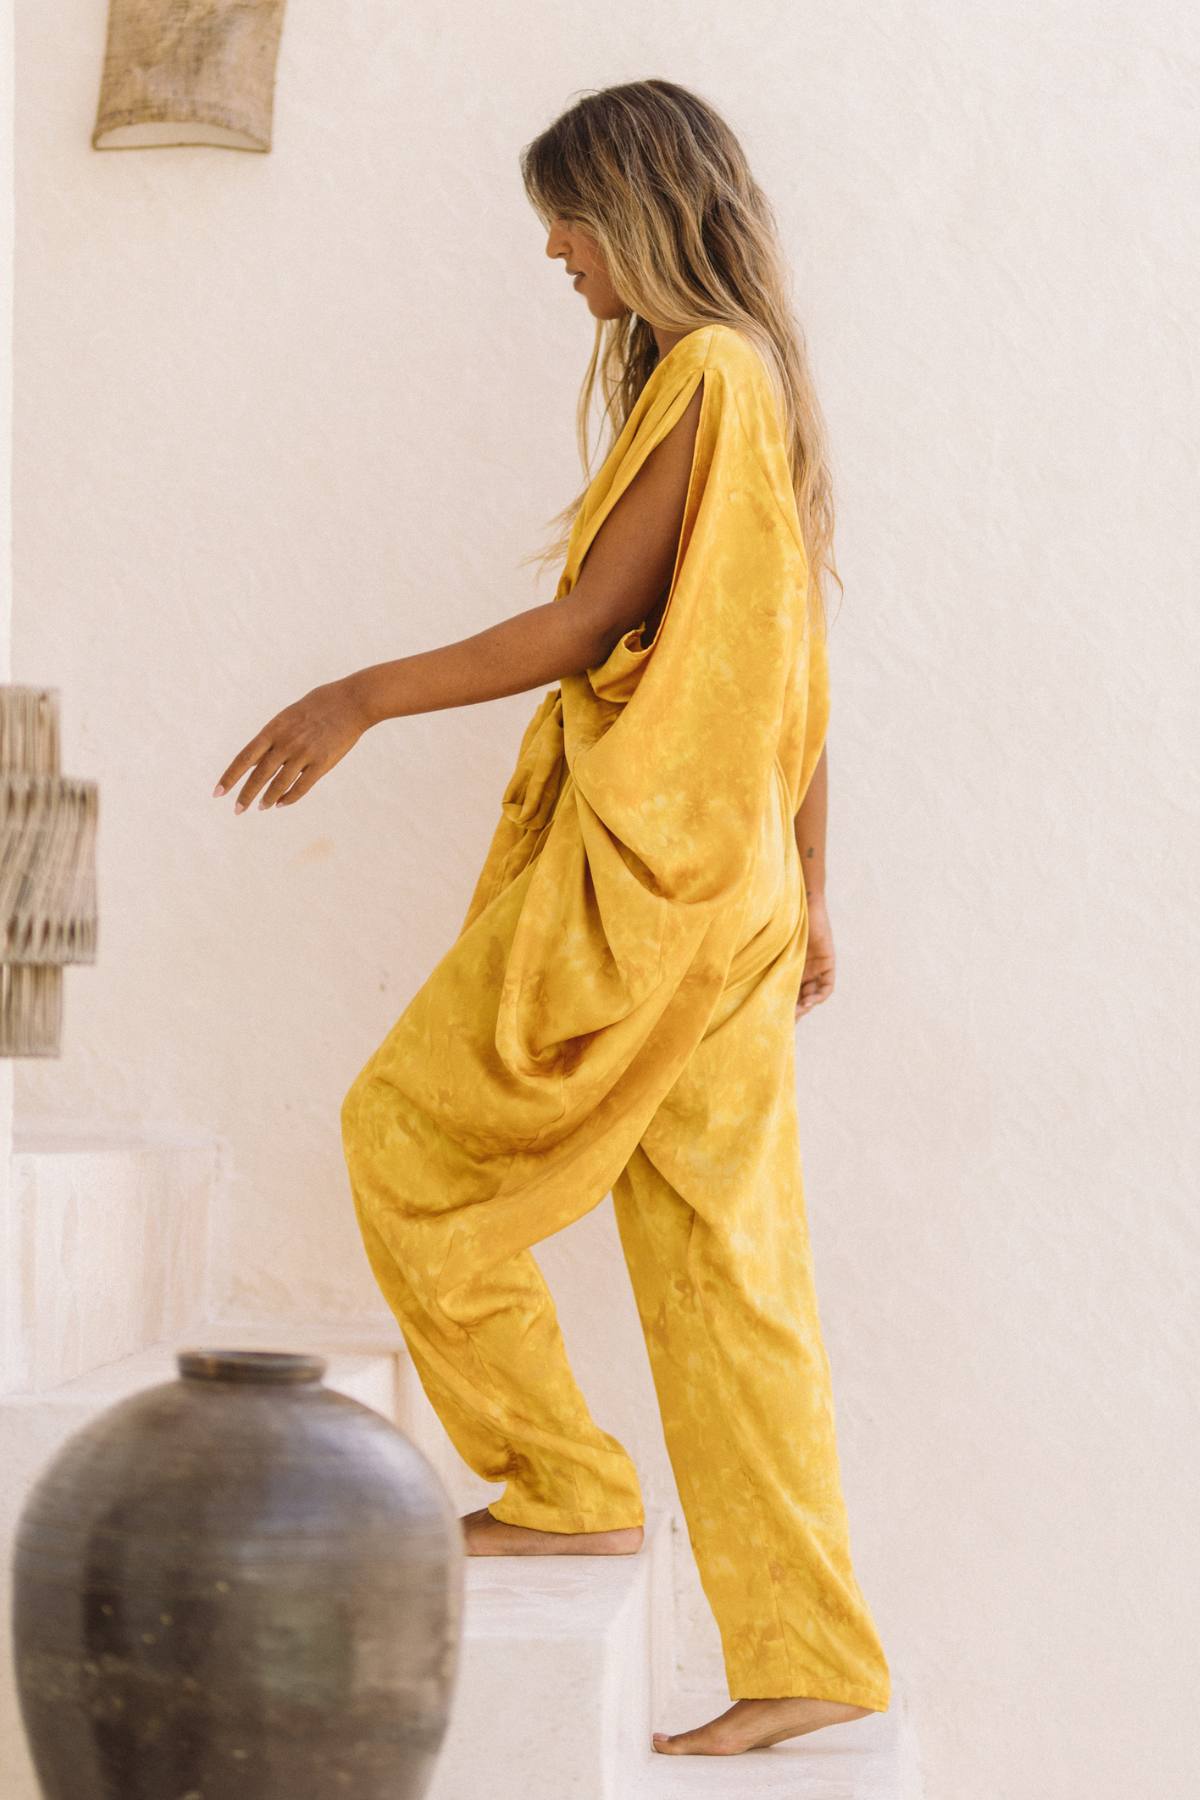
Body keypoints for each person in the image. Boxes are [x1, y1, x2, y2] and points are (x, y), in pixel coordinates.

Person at [213, 77, 890, 1761]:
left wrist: (355, 695)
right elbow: (795, 671)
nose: (557, 255)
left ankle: (568, 1481)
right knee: (734, 1280)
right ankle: (811, 1654)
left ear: (639, 212)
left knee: (404, 1136)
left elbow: (596, 622)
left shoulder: (713, 376)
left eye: (569, 223)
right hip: (726, 891)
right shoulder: (758, 391)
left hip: (654, 893)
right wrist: (809, 884)